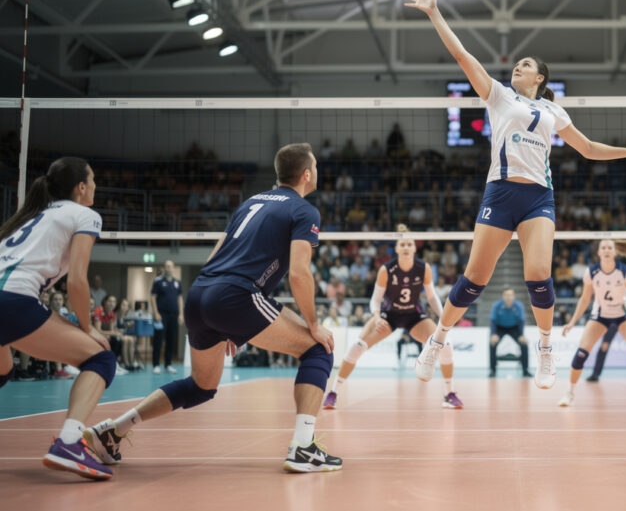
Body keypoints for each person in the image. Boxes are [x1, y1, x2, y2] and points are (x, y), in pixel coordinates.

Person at [404, 0, 626, 389]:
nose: (516, 68)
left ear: (539, 77)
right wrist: (434, 13)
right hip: (501, 193)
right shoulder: (499, 96)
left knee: (539, 274)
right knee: (474, 279)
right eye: (516, 65)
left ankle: (545, 350)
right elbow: (462, 56)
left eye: (524, 65)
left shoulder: (554, 110)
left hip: (539, 197)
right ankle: (437, 341)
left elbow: (588, 148)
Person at [84, 143, 342, 473]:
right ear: (306, 174)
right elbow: (299, 273)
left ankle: (112, 431)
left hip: (201, 292)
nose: (317, 172)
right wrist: (314, 323)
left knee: (201, 387)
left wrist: (227, 321)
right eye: (315, 167)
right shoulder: (304, 210)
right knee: (318, 348)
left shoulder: (251, 202)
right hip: (236, 295)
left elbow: (215, 255)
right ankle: (303, 447)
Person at [0, 157, 117, 480]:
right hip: (12, 300)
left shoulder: (31, 215)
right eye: (93, 181)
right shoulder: (85, 215)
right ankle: (69, 443)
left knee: (4, 368)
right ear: (81, 187)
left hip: (9, 299)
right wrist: (88, 328)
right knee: (102, 358)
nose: (95, 186)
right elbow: (77, 282)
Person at [322, 224, 461, 409]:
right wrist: (377, 317)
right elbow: (375, 299)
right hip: (389, 315)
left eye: (409, 244)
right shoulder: (386, 269)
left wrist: (444, 318)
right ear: (396, 248)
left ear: (414, 248)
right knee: (357, 346)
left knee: (445, 345)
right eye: (402, 244)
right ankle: (333, 393)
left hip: (413, 315)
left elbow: (432, 297)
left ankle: (449, 393)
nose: (406, 247)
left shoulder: (423, 268)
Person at [559, 240, 626, 407]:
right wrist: (572, 322)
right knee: (581, 354)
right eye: (603, 248)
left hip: (623, 315)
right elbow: (585, 299)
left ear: (615, 252)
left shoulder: (625, 271)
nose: (606, 250)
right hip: (601, 315)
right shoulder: (591, 272)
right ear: (599, 252)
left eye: (610, 248)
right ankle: (569, 393)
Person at [150, 260, 184, 374]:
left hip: (173, 315)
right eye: (166, 266)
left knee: (171, 340)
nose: (168, 268)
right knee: (158, 340)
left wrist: (181, 314)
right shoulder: (158, 281)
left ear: (173, 268)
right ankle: (156, 364)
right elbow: (153, 297)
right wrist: (156, 313)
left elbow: (180, 298)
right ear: (164, 268)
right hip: (161, 315)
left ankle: (168, 364)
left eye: (170, 266)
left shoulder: (177, 283)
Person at [489, 288, 530, 378]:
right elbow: (493, 321)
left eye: (510, 295)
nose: (509, 297)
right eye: (506, 295)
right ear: (503, 296)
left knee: (524, 344)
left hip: (514, 328)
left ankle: (525, 370)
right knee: (492, 343)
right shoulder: (497, 305)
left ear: (514, 296)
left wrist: (521, 335)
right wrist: (493, 334)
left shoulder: (519, 306)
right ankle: (493, 370)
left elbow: (521, 321)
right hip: (499, 327)